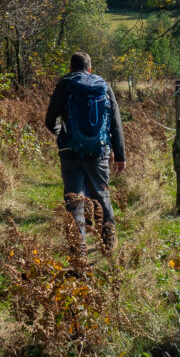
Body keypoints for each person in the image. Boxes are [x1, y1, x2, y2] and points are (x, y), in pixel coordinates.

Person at [44, 51, 126, 247]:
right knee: (101, 196)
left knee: (74, 201)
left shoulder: (66, 84)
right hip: (98, 152)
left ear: (71, 69)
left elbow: (49, 119)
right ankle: (108, 243)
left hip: (70, 152)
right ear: (90, 69)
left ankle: (78, 250)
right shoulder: (104, 86)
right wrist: (120, 155)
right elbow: (116, 123)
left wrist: (62, 133)